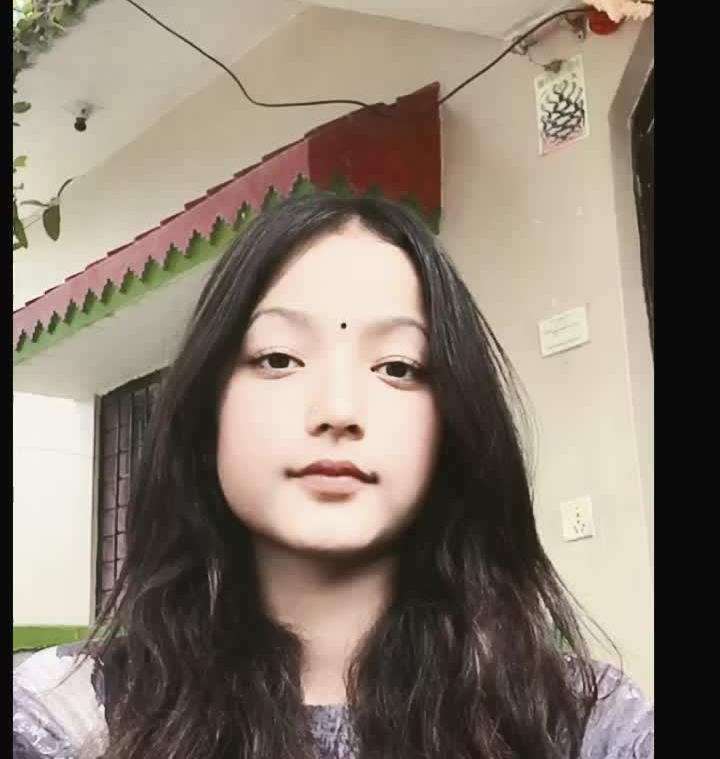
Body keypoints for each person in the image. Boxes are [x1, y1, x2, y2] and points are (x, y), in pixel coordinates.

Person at [13, 193, 654, 758]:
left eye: (397, 367)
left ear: (454, 422)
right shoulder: (70, 719)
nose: (339, 410)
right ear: (208, 410)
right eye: (279, 358)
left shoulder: (585, 725)